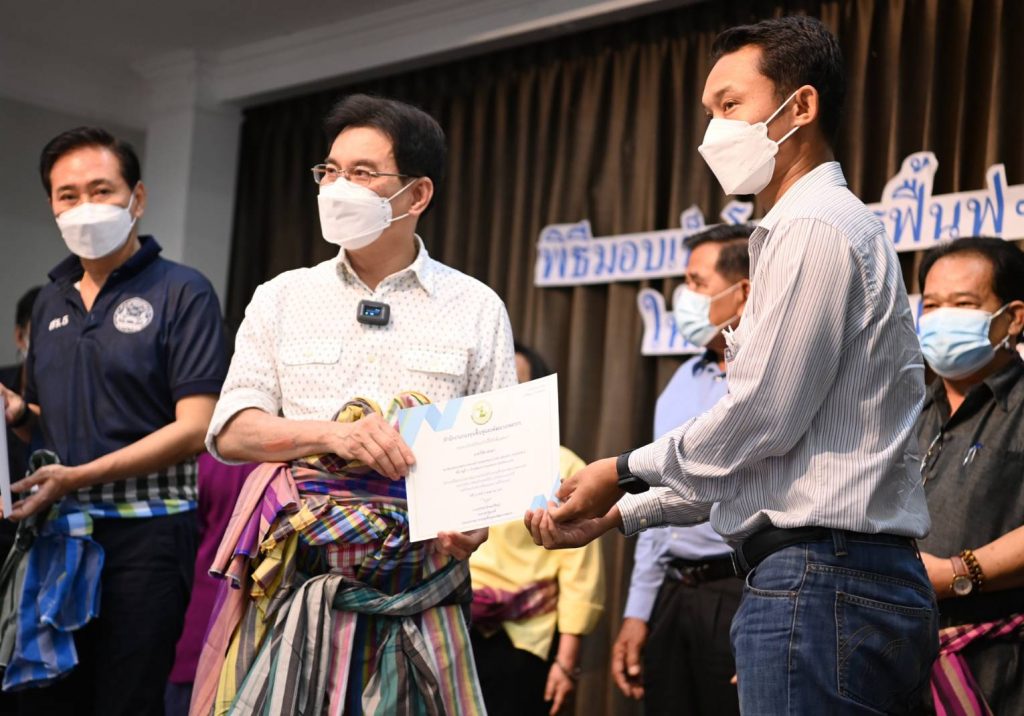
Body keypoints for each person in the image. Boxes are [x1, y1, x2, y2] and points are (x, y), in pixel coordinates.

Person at [526, 16, 939, 714]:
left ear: (800, 106)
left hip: (822, 579)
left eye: (730, 105)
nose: (713, 131)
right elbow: (765, 461)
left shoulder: (812, 227)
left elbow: (761, 418)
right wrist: (621, 513)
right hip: (836, 577)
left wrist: (618, 471)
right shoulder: (807, 227)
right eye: (709, 112)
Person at [194, 94, 517, 715]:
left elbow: (495, 451)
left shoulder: (476, 307)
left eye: (363, 173)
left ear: (417, 195)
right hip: (296, 571)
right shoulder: (282, 296)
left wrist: (475, 521)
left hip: (419, 577)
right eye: (331, 170)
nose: (339, 187)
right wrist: (334, 435)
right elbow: (232, 431)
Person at [0, 126, 227, 714]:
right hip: (59, 534)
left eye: (101, 190)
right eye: (68, 195)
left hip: (148, 540)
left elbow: (195, 427)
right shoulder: (49, 300)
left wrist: (78, 477)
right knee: (50, 698)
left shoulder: (183, 291)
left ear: (137, 198)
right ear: (52, 206)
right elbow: (47, 423)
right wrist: (20, 413)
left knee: (126, 700)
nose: (85, 206)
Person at [613, 224, 751, 715]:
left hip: (743, 591)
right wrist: (638, 611)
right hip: (674, 592)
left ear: (743, 292)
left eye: (696, 282)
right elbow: (654, 503)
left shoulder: (768, 380)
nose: (683, 295)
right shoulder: (680, 382)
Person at [913, 238, 1024, 714]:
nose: (942, 319)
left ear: (1013, 318)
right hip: (894, 659)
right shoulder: (905, 410)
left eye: (962, 305)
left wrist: (959, 573)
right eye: (932, 305)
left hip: (997, 667)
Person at [469, 342, 604, 716]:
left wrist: (566, 662)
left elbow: (580, 573)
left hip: (526, 639)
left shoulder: (563, 466)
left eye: (514, 383)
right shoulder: (458, 459)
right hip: (451, 627)